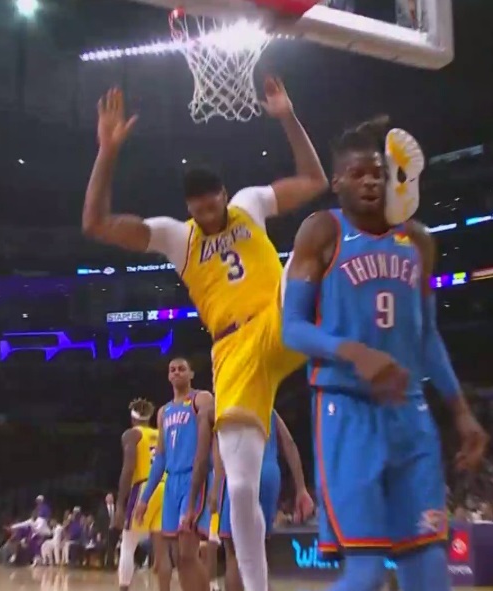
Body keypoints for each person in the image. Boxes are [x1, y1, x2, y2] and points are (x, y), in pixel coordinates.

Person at [83, 79, 328, 591]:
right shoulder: (178, 237)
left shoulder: (248, 203)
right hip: (232, 349)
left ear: (222, 193)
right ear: (189, 206)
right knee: (238, 487)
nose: (205, 211)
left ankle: (361, 344)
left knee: (317, 233)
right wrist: (106, 152)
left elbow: (314, 179)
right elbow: (97, 224)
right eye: (196, 206)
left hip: (276, 315)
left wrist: (286, 115)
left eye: (210, 202)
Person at [280, 120, 489, 591]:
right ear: (337, 183)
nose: (371, 180)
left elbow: (428, 337)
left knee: (430, 573)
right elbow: (291, 328)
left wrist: (461, 413)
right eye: (358, 174)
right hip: (346, 411)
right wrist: (354, 352)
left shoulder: (418, 240)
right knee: (367, 572)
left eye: (377, 172)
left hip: (410, 415)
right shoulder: (321, 231)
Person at [196, 406, 314, 591]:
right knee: (259, 550)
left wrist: (215, 489)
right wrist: (301, 488)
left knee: (234, 552)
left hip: (240, 472)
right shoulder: (268, 407)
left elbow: (219, 454)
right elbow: (289, 444)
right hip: (269, 474)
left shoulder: (228, 402)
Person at [134, 359, 212, 591]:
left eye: (181, 368)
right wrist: (144, 498)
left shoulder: (202, 399)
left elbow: (213, 440)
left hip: (194, 478)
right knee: (180, 556)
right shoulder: (163, 412)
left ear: (191, 374)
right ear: (168, 376)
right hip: (171, 483)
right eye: (172, 369)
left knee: (188, 552)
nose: (176, 372)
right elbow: (160, 459)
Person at [115, 399, 171, 591]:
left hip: (144, 487)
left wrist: (120, 506)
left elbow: (128, 468)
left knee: (128, 544)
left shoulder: (132, 435)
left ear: (132, 418)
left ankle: (124, 588)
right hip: (165, 487)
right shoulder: (160, 434)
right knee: (162, 551)